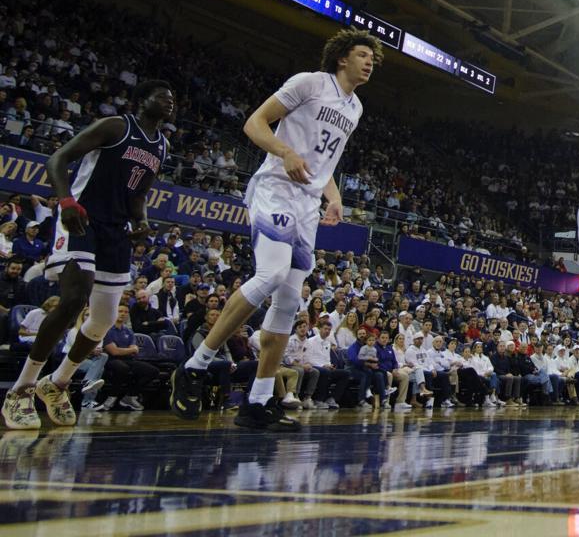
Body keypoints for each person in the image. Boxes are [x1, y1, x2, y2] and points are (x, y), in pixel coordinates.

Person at [172, 30, 380, 430]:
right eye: (361, 55)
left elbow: (326, 162)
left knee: (289, 301)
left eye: (372, 57)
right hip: (275, 189)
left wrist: (333, 196)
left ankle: (258, 401)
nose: (369, 62)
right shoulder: (309, 83)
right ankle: (194, 366)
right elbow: (255, 123)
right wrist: (283, 151)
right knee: (270, 274)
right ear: (342, 58)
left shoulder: (355, 107)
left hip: (307, 204)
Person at [2, 81, 173, 430]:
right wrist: (65, 202)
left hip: (116, 230)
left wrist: (141, 221)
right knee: (73, 299)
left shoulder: (162, 146)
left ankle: (58, 382)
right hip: (81, 218)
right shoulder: (115, 126)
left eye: (173, 100)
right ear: (142, 101)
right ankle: (20, 391)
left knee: (104, 319)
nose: (169, 103)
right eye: (162, 97)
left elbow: (139, 193)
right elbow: (58, 159)